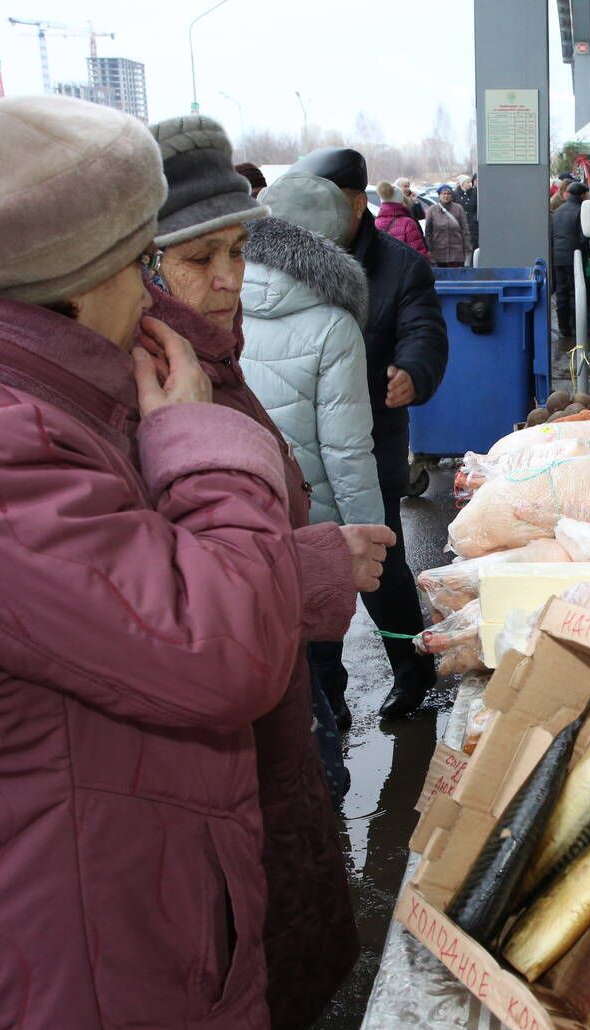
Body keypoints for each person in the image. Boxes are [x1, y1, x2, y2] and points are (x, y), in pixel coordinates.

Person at [0, 95, 341, 1030]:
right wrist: (200, 443)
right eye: (136, 265)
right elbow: (220, 647)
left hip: (63, 933)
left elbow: (114, 603)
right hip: (66, 970)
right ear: (72, 280)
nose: (149, 297)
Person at [147, 113, 380, 1030]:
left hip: (269, 682)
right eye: (200, 259)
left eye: (238, 250)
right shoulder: (155, 378)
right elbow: (169, 595)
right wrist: (319, 564)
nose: (230, 278)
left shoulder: (212, 354)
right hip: (226, 719)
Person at [301, 145, 448, 719]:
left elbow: (425, 331)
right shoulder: (293, 257)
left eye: (331, 202)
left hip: (371, 440)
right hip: (304, 447)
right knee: (317, 567)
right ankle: (327, 697)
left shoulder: (399, 265)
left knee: (382, 568)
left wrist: (413, 372)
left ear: (358, 203)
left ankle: (410, 672)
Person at [243, 161, 386, 750]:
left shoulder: (222, 299)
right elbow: (346, 446)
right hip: (313, 517)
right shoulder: (333, 324)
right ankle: (325, 762)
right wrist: (367, 531)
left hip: (243, 515)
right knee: (319, 659)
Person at [551, 181, 589, 339]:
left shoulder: (557, 211)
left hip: (558, 257)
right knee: (576, 293)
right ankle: (576, 329)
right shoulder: (580, 211)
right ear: (580, 195)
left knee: (561, 293)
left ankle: (563, 328)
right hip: (575, 257)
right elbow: (583, 237)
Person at [375, 178, 430, 258]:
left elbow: (421, 216)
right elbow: (418, 254)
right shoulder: (408, 223)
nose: (408, 189)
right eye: (405, 186)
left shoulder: (376, 222)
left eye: (408, 186)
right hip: (405, 267)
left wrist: (416, 202)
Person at [424, 183, 473, 267]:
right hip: (438, 252)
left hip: (456, 253)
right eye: (444, 194)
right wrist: (429, 248)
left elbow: (465, 230)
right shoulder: (432, 210)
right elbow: (428, 232)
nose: (446, 196)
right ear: (439, 195)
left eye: (449, 194)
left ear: (452, 196)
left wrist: (468, 248)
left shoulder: (458, 209)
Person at [457, 172, 479, 249]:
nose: (470, 184)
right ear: (462, 183)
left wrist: (475, 218)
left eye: (470, 182)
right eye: (468, 182)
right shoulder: (456, 194)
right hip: (460, 226)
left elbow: (478, 207)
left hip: (473, 226)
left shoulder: (475, 193)